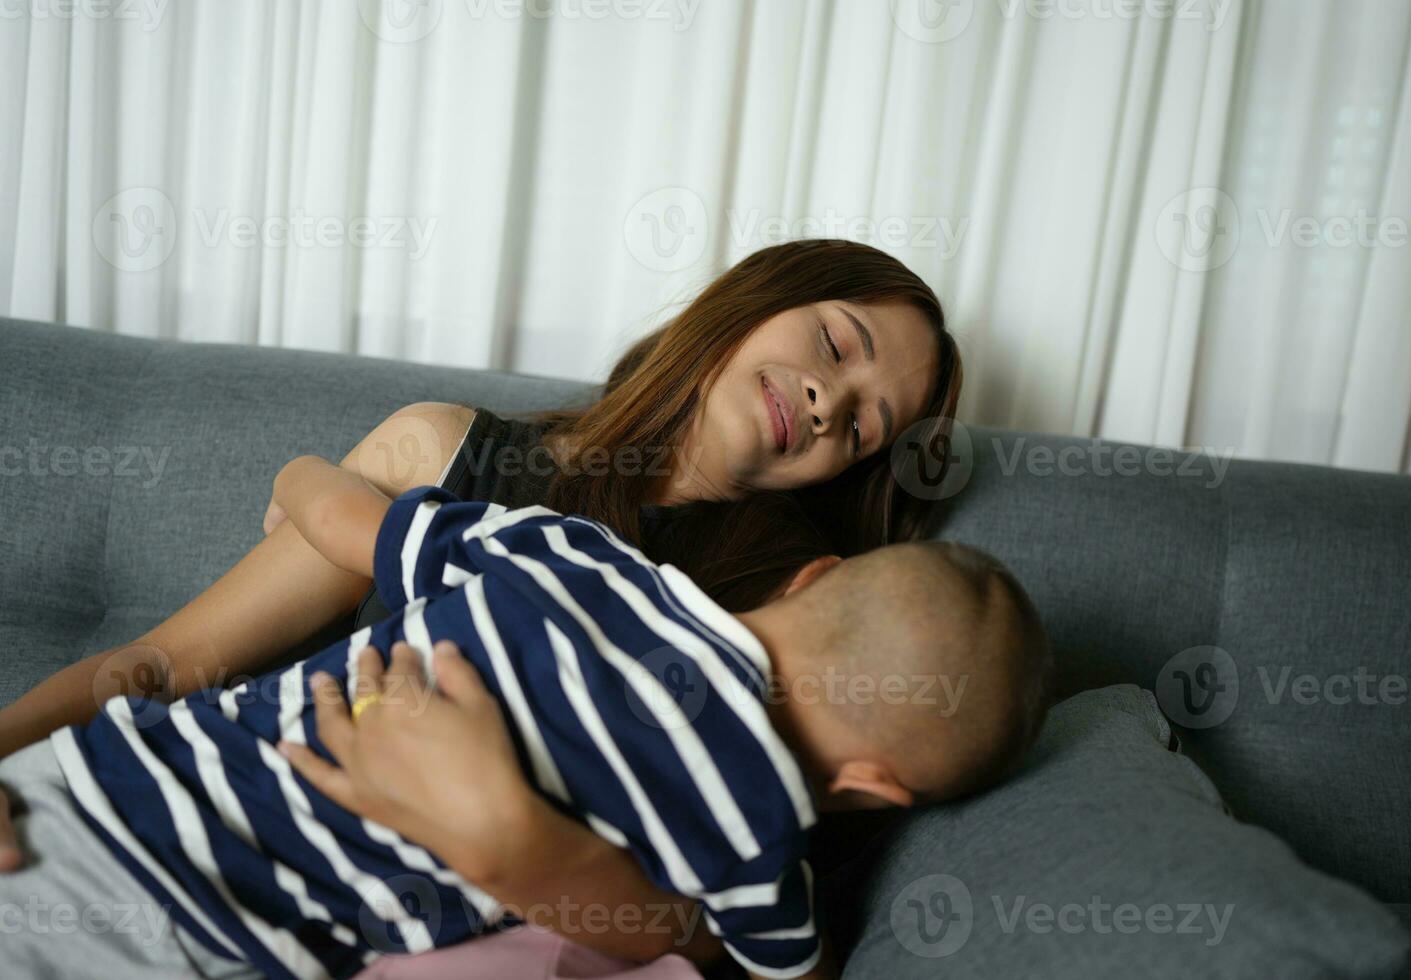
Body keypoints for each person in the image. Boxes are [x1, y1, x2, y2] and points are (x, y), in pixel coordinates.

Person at [0, 239, 966, 962]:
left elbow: (715, 928)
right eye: (839, 343)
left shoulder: (794, 627)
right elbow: (169, 664)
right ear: (756, 297)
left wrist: (510, 830)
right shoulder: (447, 461)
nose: (833, 401)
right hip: (191, 839)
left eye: (866, 423)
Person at [0, 455, 1049, 980]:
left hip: (95, 778)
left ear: (810, 576)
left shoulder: (571, 552)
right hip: (206, 935)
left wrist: (301, 475)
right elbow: (786, 971)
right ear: (876, 785)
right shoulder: (757, 843)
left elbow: (340, 515)